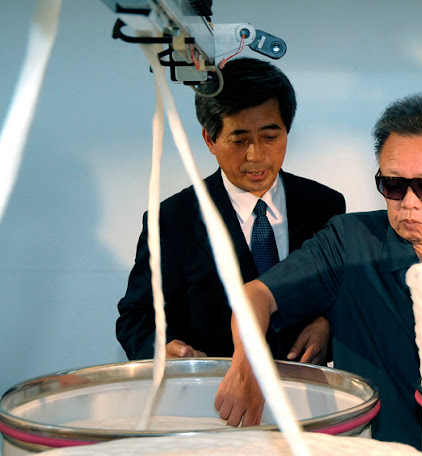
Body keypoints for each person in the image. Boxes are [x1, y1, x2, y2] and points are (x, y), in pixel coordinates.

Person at [213, 93, 422, 449]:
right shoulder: (350, 242)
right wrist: (247, 363)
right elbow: (257, 295)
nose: (408, 203)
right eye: (393, 185)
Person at [116, 58, 345, 363]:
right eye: (239, 140)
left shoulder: (324, 205)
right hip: (215, 387)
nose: (256, 155)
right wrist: (164, 350)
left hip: (305, 384)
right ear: (210, 139)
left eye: (270, 137)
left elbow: (345, 296)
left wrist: (327, 324)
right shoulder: (173, 220)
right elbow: (136, 317)